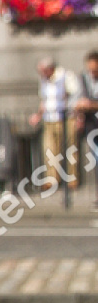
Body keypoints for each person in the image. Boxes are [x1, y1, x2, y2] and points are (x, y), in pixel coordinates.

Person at [27, 57, 79, 196]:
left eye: (43, 71)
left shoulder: (65, 76)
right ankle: (52, 179)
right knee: (49, 149)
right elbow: (44, 101)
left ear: (50, 68)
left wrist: (77, 114)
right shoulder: (44, 81)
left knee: (70, 148)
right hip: (49, 119)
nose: (42, 74)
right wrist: (38, 115)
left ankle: (72, 178)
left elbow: (74, 95)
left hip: (66, 118)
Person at [75, 50, 98, 207]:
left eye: (95, 70)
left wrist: (91, 104)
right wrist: (80, 111)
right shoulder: (83, 78)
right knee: (96, 159)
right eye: (90, 69)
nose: (92, 73)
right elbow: (78, 99)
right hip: (92, 126)